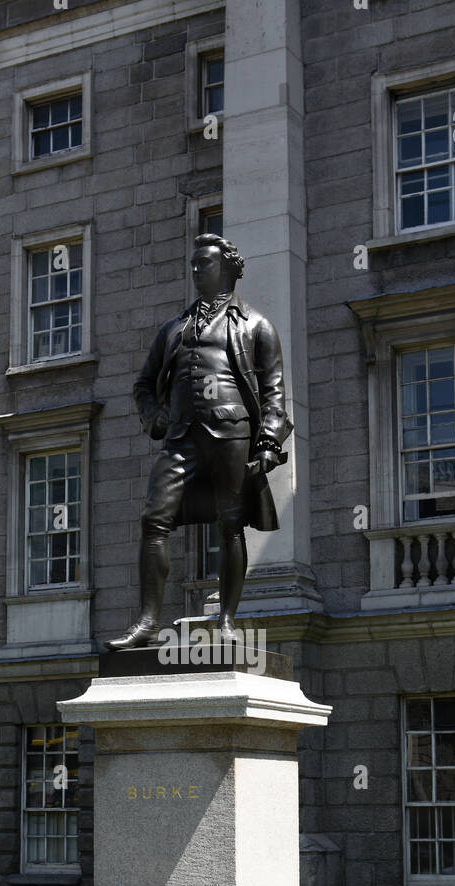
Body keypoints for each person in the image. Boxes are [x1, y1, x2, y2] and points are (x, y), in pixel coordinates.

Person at [106, 233, 292, 649]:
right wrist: (154, 416)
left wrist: (267, 441)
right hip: (181, 436)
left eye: (202, 264)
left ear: (225, 268)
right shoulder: (174, 328)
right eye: (192, 265)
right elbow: (143, 383)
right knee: (154, 518)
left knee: (231, 524)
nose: (194, 271)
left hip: (233, 432)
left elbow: (274, 392)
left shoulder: (257, 325)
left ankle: (226, 620)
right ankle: (148, 623)